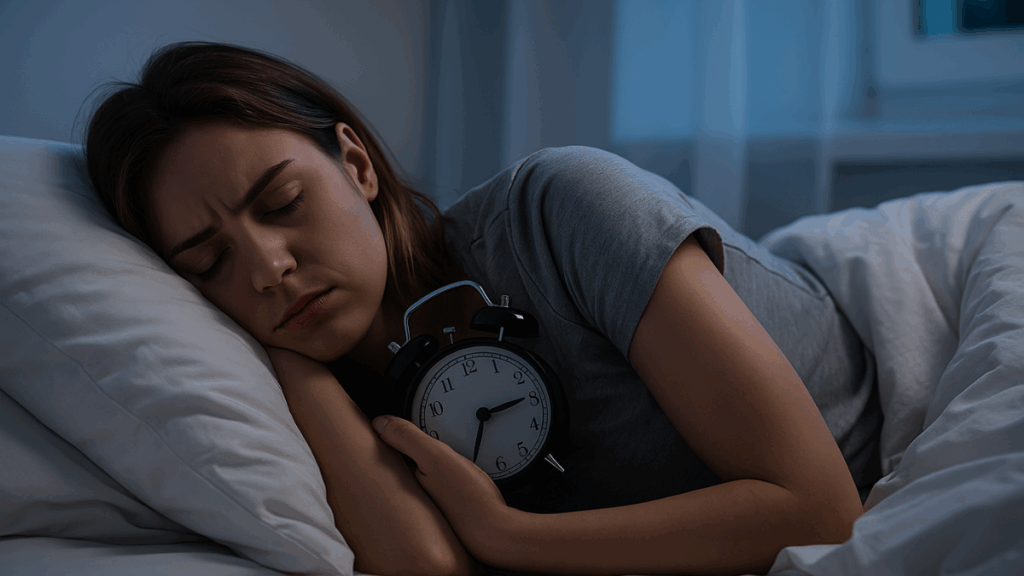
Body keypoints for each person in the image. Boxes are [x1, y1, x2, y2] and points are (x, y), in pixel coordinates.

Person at [85, 41, 881, 576]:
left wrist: (513, 536)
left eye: (285, 202)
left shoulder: (557, 210)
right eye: (210, 260)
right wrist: (290, 366)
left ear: (356, 163)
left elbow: (818, 510)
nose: (267, 267)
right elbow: (428, 567)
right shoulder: (294, 397)